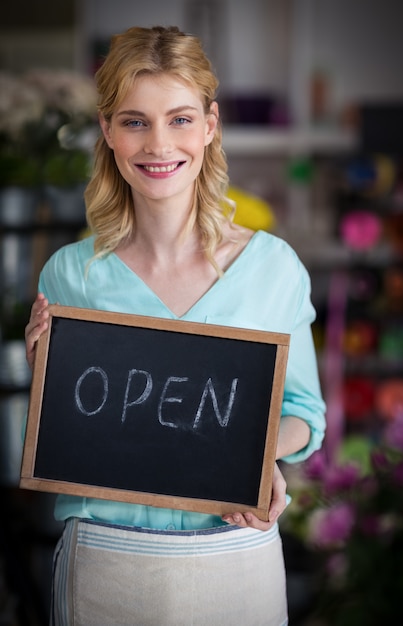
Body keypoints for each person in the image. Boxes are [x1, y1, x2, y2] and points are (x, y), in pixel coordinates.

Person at [25, 25, 326, 626]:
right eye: (135, 121)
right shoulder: (69, 275)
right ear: (107, 131)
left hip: (238, 561)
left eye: (180, 119)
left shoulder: (274, 268)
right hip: (105, 565)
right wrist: (44, 378)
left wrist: (257, 457)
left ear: (210, 126)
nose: (159, 144)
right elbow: (72, 431)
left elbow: (305, 414)